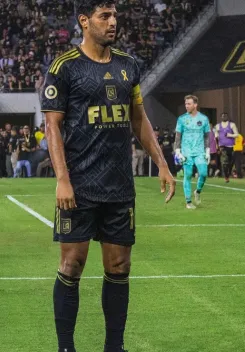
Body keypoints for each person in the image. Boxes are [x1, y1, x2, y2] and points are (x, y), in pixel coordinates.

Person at [40, 1, 176, 351]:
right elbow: (51, 127)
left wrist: (161, 163)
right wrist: (63, 179)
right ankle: (66, 347)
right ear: (85, 21)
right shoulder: (64, 68)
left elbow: (139, 119)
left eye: (115, 15)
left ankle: (114, 347)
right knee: (72, 265)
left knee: (119, 266)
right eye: (104, 16)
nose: (113, 22)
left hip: (119, 186)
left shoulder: (128, 64)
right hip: (79, 185)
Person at [174, 95, 210, 209]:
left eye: (189, 104)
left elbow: (207, 137)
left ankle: (197, 192)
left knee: (203, 173)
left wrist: (208, 151)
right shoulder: (182, 119)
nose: (186, 106)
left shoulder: (203, 119)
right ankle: (188, 202)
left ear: (195, 104)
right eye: (186, 104)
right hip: (187, 151)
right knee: (188, 175)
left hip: (199, 151)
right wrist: (178, 151)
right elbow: (178, 136)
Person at [215, 113, 239, 183]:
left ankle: (228, 174)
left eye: (225, 116)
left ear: (227, 117)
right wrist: (217, 145)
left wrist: (229, 135)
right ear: (220, 117)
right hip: (222, 146)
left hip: (231, 146)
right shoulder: (217, 126)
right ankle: (226, 176)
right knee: (224, 162)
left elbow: (237, 134)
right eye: (222, 116)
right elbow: (216, 137)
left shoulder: (232, 125)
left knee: (230, 162)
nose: (224, 117)